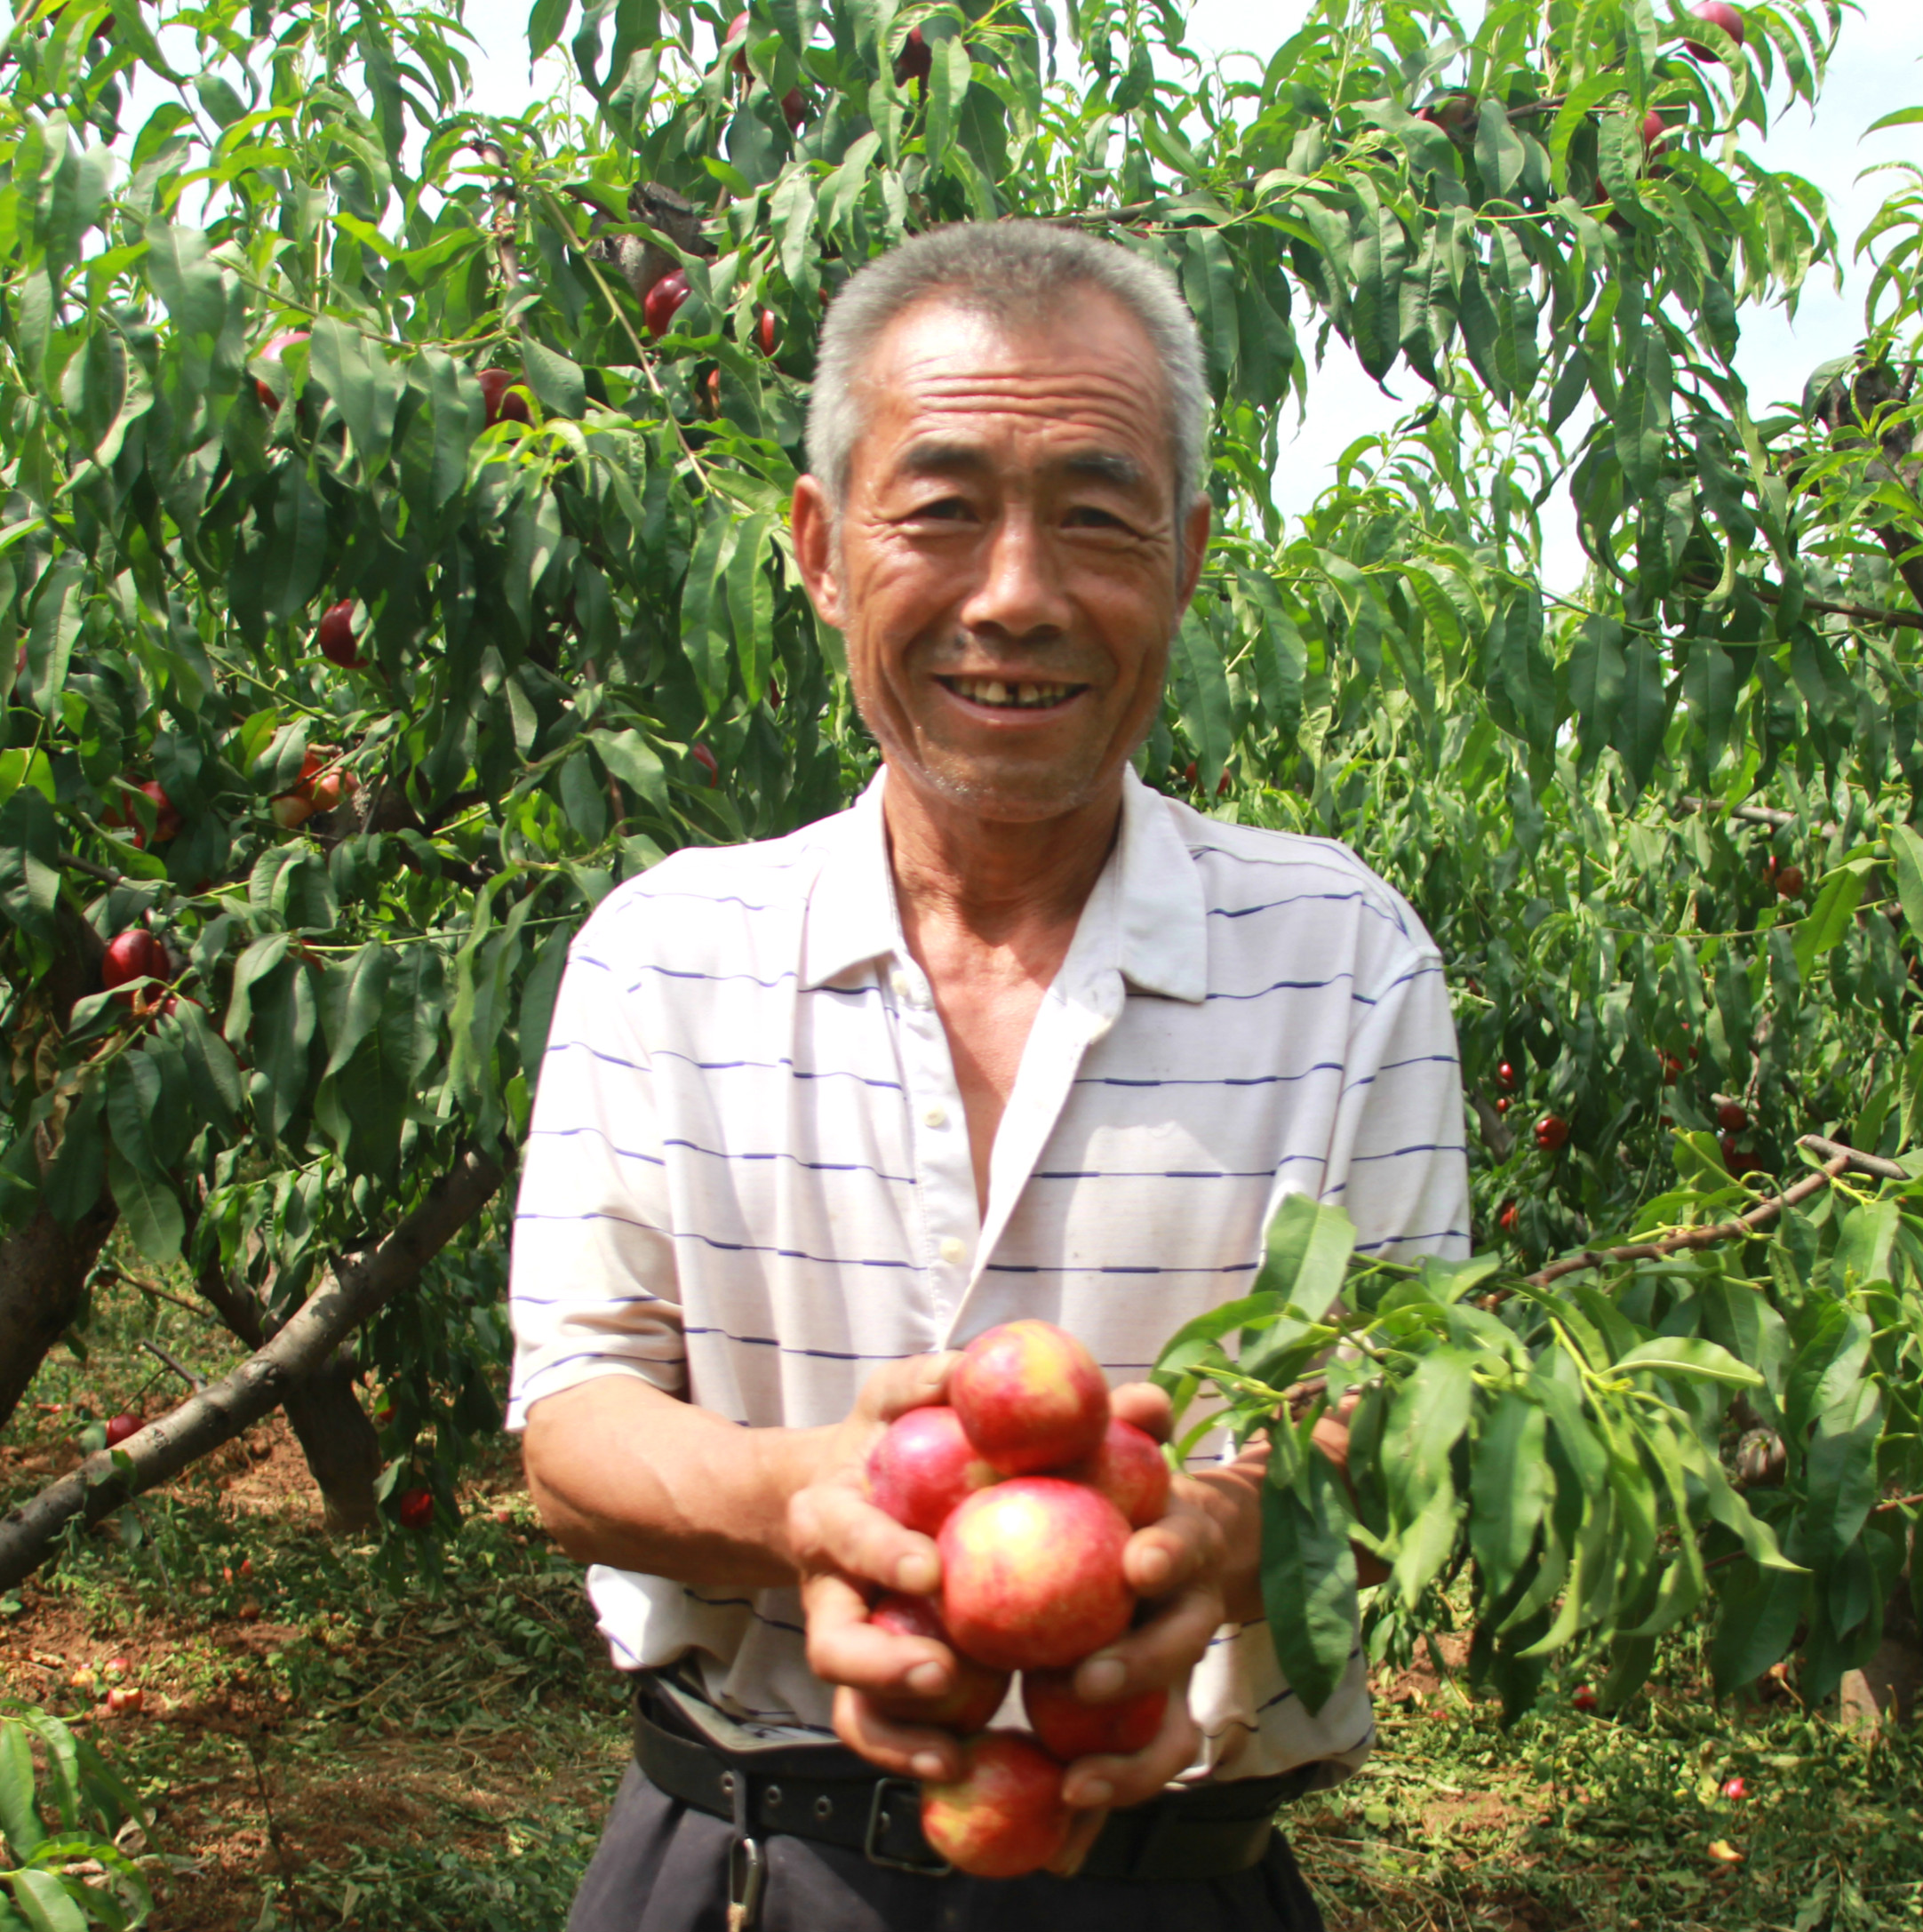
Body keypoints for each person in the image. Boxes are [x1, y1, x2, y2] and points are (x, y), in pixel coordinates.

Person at [508, 220, 1469, 1932]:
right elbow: (575, 1426)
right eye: (941, 507)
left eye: (1094, 515)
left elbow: (1402, 1428)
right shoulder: (664, 950)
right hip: (741, 1864)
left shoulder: (1342, 951)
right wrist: (798, 1498)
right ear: (819, 548)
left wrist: (1212, 1542)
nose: (1016, 592)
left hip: (1169, 1879)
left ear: (1183, 559)